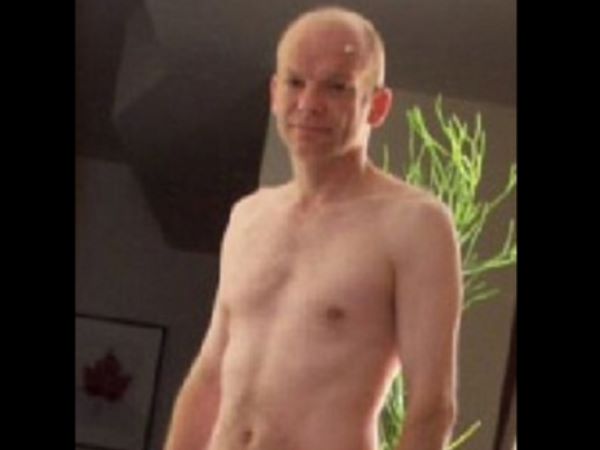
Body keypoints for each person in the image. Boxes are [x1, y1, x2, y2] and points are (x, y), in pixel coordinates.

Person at [164, 6, 462, 450]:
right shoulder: (249, 216)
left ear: (377, 105)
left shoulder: (414, 224)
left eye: (337, 86)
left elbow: (432, 405)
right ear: (274, 93)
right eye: (295, 82)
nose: (309, 103)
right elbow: (210, 377)